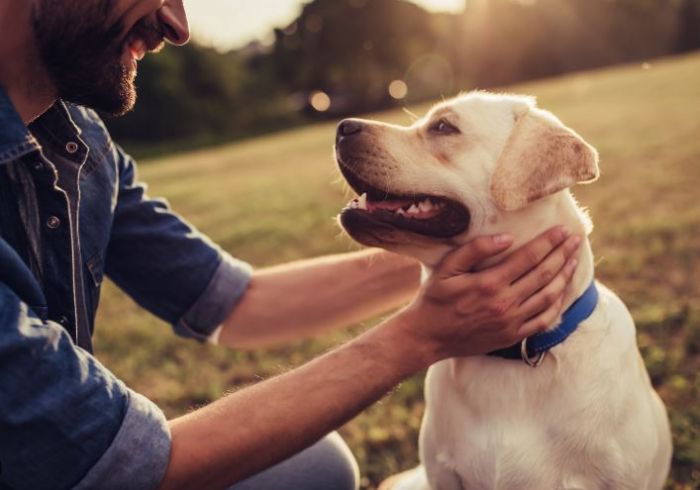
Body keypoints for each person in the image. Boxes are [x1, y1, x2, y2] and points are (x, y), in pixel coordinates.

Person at [0, 1, 582, 489]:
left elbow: (235, 301)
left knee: (314, 468)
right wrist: (420, 335)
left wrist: (471, 251)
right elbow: (119, 465)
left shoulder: (77, 141)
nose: (177, 24)